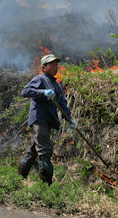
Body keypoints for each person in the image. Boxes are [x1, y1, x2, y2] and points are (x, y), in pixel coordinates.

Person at [17, 54, 78, 184]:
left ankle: (19, 178)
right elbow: (25, 92)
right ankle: (47, 187)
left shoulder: (56, 85)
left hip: (48, 121)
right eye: (53, 64)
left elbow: (62, 104)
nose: (56, 67)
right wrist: (42, 92)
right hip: (40, 119)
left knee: (33, 151)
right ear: (44, 67)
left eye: (57, 64)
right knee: (45, 151)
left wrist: (70, 119)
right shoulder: (40, 79)